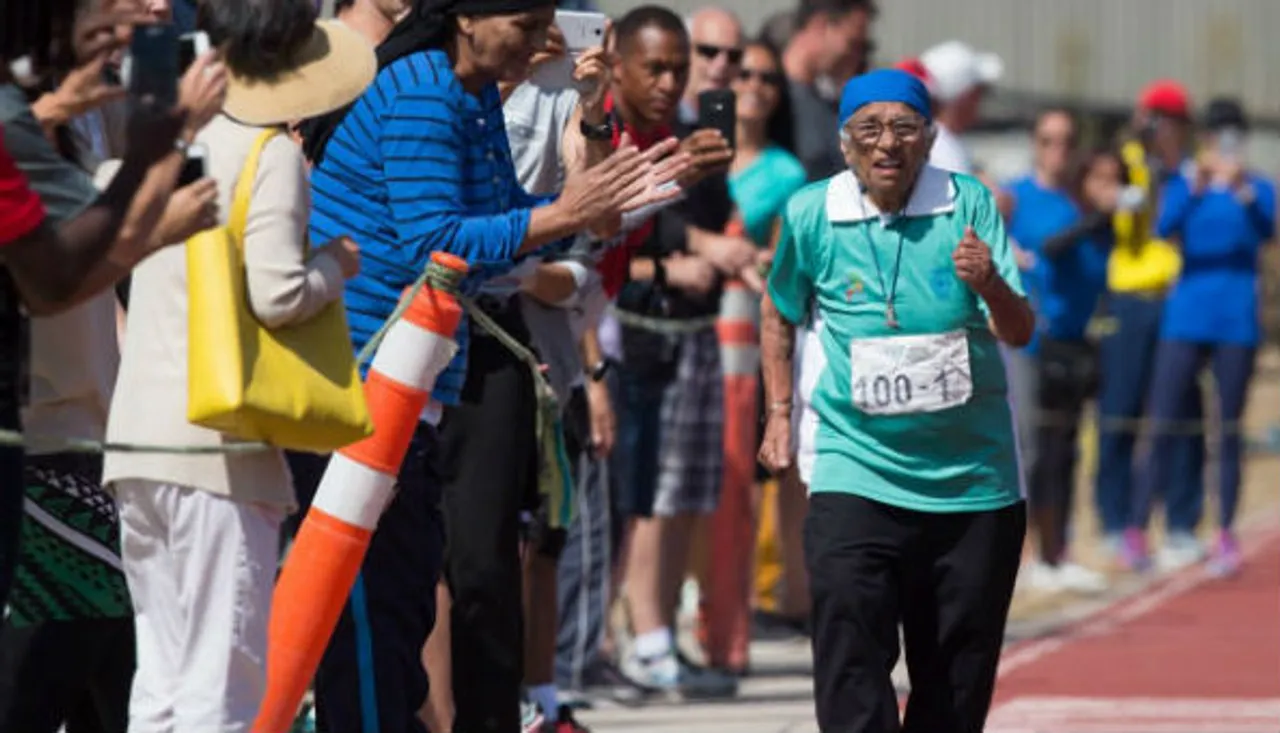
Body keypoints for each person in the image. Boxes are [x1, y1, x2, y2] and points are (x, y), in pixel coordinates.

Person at [301, 1, 683, 730]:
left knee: (404, 601)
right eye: (530, 19)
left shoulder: (468, 94)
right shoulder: (422, 90)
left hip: (411, 388)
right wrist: (567, 212)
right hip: (357, 385)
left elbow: (511, 219)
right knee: (374, 618)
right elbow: (437, 243)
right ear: (468, 16)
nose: (546, 38)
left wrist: (593, 194)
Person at [103, 1, 372, 729]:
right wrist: (335, 265)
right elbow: (281, 294)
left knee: (159, 673)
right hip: (220, 448)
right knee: (221, 679)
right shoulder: (269, 152)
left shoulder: (165, 141)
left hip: (138, 440)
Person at [759, 69, 1032, 733]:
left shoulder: (967, 205)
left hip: (971, 483)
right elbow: (777, 308)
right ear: (846, 143)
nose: (889, 145)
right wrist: (779, 414)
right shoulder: (811, 213)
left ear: (930, 138)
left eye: (905, 128)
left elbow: (1020, 329)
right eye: (870, 130)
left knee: (954, 679)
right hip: (856, 467)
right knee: (850, 653)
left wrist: (990, 283)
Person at [1140, 97, 1275, 578]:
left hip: (1236, 318)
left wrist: (1241, 191)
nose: (1225, 140)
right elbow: (1164, 228)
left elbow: (1266, 230)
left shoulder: (1257, 186)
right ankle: (1139, 527)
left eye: (1233, 132)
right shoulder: (1185, 181)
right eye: (1218, 132)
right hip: (1187, 315)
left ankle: (1224, 532)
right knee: (1164, 418)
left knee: (1228, 428)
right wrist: (1195, 187)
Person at [1097, 80, 1205, 572]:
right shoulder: (1132, 162)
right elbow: (1126, 215)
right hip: (1132, 297)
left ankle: (1181, 521)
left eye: (1171, 120)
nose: (1164, 129)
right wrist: (1137, 153)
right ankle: (1115, 521)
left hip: (1180, 301)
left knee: (1183, 413)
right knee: (1120, 408)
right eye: (1154, 119)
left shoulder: (1192, 171)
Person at [1017, 144, 1124, 595]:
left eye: (1115, 181)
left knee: (1069, 452)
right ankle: (1037, 553)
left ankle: (1059, 550)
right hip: (1048, 341)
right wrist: (1092, 219)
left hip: (1082, 342)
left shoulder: (1110, 229)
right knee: (1042, 452)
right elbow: (1052, 248)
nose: (1108, 190)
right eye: (1099, 179)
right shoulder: (1068, 214)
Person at [782, 0, 877, 182]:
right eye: (854, 44)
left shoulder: (829, 104)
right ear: (820, 25)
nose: (857, 57)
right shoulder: (771, 100)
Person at [917, 40, 1002, 176]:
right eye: (979, 92)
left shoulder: (941, 143)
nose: (981, 101)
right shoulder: (943, 153)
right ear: (965, 96)